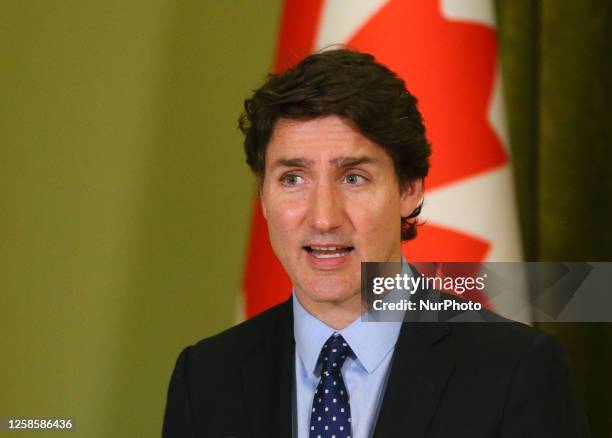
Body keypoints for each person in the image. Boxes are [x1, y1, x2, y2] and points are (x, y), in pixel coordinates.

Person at [162, 49, 588, 438]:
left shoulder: (516, 370)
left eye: (353, 178)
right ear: (263, 196)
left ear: (409, 190)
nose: (324, 217)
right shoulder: (204, 378)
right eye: (293, 179)